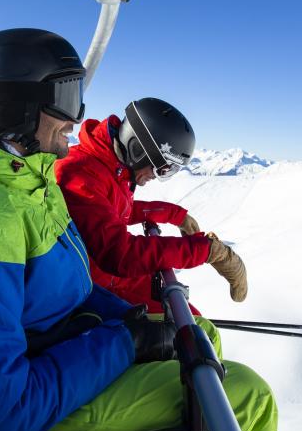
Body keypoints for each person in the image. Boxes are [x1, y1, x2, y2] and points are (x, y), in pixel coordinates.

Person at [0, 29, 277, 431]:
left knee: (200, 340)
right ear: (13, 106)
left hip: (64, 352)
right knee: (249, 396)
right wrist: (125, 341)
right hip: (34, 410)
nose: (76, 117)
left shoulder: (31, 187)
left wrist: (129, 320)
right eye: (64, 97)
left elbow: (76, 286)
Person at [55, 97, 248, 314]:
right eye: (162, 167)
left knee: (192, 319)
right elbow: (119, 254)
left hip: (106, 276)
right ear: (139, 150)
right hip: (88, 288)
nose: (157, 176)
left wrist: (175, 215)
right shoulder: (80, 173)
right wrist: (208, 251)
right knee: (196, 334)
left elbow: (116, 211)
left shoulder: (109, 167)